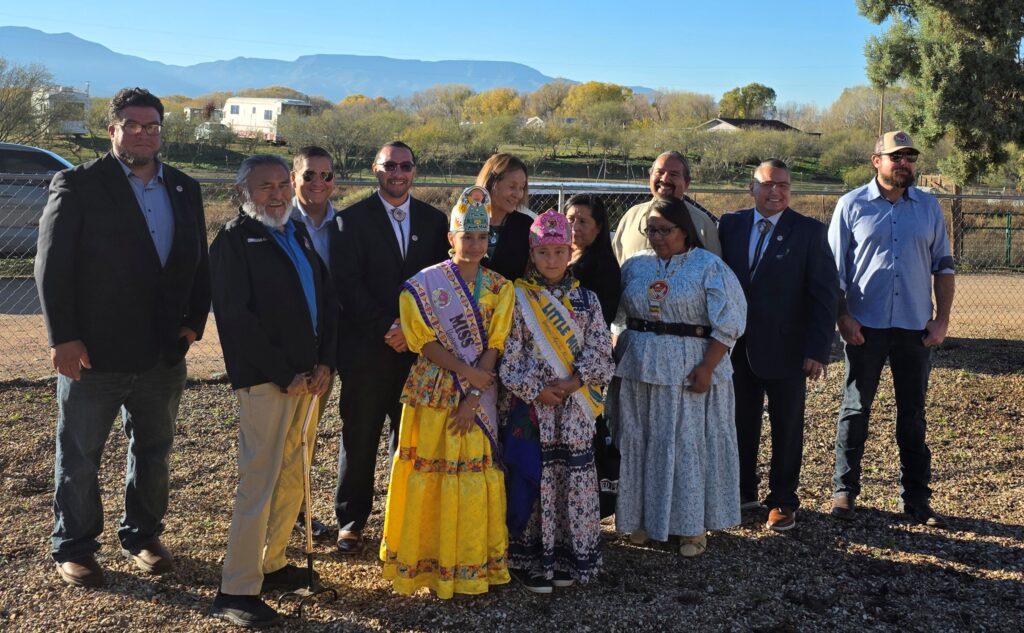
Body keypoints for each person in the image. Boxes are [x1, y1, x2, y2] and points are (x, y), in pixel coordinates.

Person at [34, 87, 210, 588]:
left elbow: (197, 262)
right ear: (113, 129)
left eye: (151, 125)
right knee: (80, 453)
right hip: (93, 353)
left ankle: (143, 536)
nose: (143, 133)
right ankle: (74, 545)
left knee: (154, 450)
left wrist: (194, 321)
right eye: (132, 125)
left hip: (162, 353)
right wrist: (63, 337)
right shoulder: (78, 184)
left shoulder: (183, 188)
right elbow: (51, 267)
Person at [209, 154, 337, 628]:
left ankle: (274, 563)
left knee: (292, 476)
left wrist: (327, 362)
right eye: (266, 187)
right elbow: (237, 321)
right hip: (268, 384)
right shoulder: (234, 241)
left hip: (308, 379)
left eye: (284, 184)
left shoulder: (295, 233)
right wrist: (285, 374)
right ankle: (235, 590)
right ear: (244, 192)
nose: (279, 194)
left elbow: (325, 301)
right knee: (258, 483)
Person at [380, 186, 514, 598]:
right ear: (450, 238)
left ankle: (470, 562)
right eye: (466, 236)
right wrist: (464, 373)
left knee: (472, 475)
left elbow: (496, 342)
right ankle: (426, 562)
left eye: (481, 237)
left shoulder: (500, 287)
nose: (474, 244)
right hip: (435, 388)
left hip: (479, 391)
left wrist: (474, 395)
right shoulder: (423, 285)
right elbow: (422, 340)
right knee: (430, 473)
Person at [829, 131, 955, 528]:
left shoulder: (929, 208)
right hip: (865, 327)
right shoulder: (851, 205)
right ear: (876, 161)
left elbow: (944, 266)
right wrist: (843, 316)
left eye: (910, 157)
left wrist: (942, 319)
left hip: (915, 328)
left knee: (913, 414)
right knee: (855, 408)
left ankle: (916, 497)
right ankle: (844, 491)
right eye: (896, 156)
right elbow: (834, 271)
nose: (904, 163)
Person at [331, 141, 450, 555]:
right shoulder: (349, 221)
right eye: (389, 166)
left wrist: (414, 331)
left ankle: (406, 520)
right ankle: (351, 521)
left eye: (405, 165)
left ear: (414, 170)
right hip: (367, 350)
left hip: (418, 352)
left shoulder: (435, 222)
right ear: (374, 169)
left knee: (412, 440)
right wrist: (388, 326)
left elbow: (442, 283)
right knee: (359, 437)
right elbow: (346, 285)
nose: (397, 173)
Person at [612, 197, 746, 557]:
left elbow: (729, 322)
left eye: (664, 230)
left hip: (690, 365)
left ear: (684, 230)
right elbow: (617, 314)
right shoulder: (635, 267)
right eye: (651, 229)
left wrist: (707, 367)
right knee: (642, 442)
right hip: (640, 366)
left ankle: (691, 528)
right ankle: (641, 520)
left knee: (685, 445)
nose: (656, 236)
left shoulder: (708, 267)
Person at [719, 159, 839, 532]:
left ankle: (783, 500)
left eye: (784, 185)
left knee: (787, 428)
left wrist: (817, 350)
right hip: (735, 347)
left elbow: (825, 295)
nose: (776, 192)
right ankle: (742, 492)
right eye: (768, 184)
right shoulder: (730, 225)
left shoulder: (810, 232)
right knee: (740, 423)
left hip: (788, 350)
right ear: (751, 188)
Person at [499, 209, 614, 594]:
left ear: (570, 253)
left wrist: (574, 381)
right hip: (535, 410)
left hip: (575, 409)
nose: (551, 259)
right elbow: (508, 356)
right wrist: (538, 390)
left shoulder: (588, 300)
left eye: (559, 252)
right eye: (544, 252)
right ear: (532, 254)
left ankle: (568, 557)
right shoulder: (516, 299)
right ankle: (532, 560)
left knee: (572, 482)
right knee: (536, 480)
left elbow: (601, 349)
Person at [289, 145, 338, 539]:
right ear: (294, 178)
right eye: (309, 175)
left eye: (326, 175)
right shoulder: (278, 221)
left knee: (307, 435)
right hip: (287, 350)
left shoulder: (345, 225)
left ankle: (298, 512)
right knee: (279, 439)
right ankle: (277, 514)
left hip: (326, 350)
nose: (318, 183)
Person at [612, 151, 722, 263]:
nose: (664, 179)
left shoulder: (703, 224)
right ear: (650, 177)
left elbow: (714, 270)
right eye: (659, 172)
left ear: (687, 182)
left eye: (673, 174)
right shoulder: (631, 216)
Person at [475, 153, 534, 281]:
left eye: (522, 187)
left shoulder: (526, 226)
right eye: (512, 187)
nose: (518, 194)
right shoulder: (466, 220)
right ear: (491, 183)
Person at [566, 193, 621, 326]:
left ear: (599, 227)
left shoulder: (605, 266)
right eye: (570, 219)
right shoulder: (552, 256)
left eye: (583, 222)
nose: (575, 227)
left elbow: (606, 315)